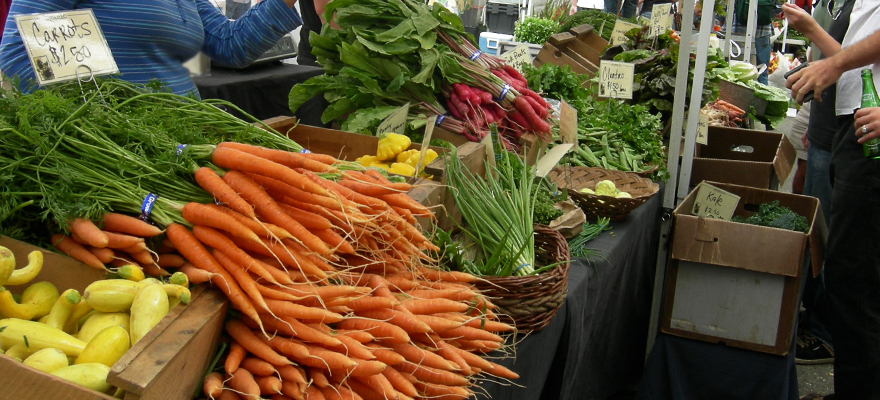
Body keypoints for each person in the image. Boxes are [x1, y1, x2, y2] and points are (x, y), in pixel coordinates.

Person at [786, 0, 880, 398]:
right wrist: (814, 35)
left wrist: (833, 66)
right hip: (855, 128)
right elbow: (859, 59)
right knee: (850, 278)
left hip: (870, 140)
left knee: (855, 280)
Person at [0, 0, 303, 97]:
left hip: (184, 140)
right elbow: (20, 53)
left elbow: (230, 45)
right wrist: (112, 125)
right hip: (121, 155)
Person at [782, 0, 854, 371]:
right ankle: (815, 320)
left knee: (829, 245)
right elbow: (841, 61)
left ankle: (825, 335)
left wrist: (810, 29)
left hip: (843, 139)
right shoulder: (847, 6)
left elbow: (851, 66)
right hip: (826, 133)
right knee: (817, 235)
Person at [733, 0, 776, 85]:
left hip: (737, 31)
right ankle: (762, 96)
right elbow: (779, 5)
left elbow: (724, 5)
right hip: (762, 32)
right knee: (761, 71)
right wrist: (767, 14)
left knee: (735, 70)